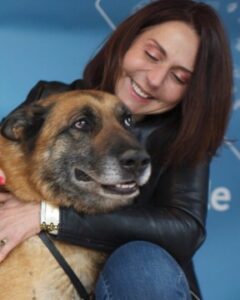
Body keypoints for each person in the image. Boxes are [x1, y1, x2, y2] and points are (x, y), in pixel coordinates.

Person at [0, 0, 232, 299]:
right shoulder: (53, 100)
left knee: (142, 263)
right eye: (151, 55)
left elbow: (183, 229)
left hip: (136, 282)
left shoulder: (185, 139)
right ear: (127, 41)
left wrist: (49, 216)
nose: (154, 79)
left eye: (179, 77)